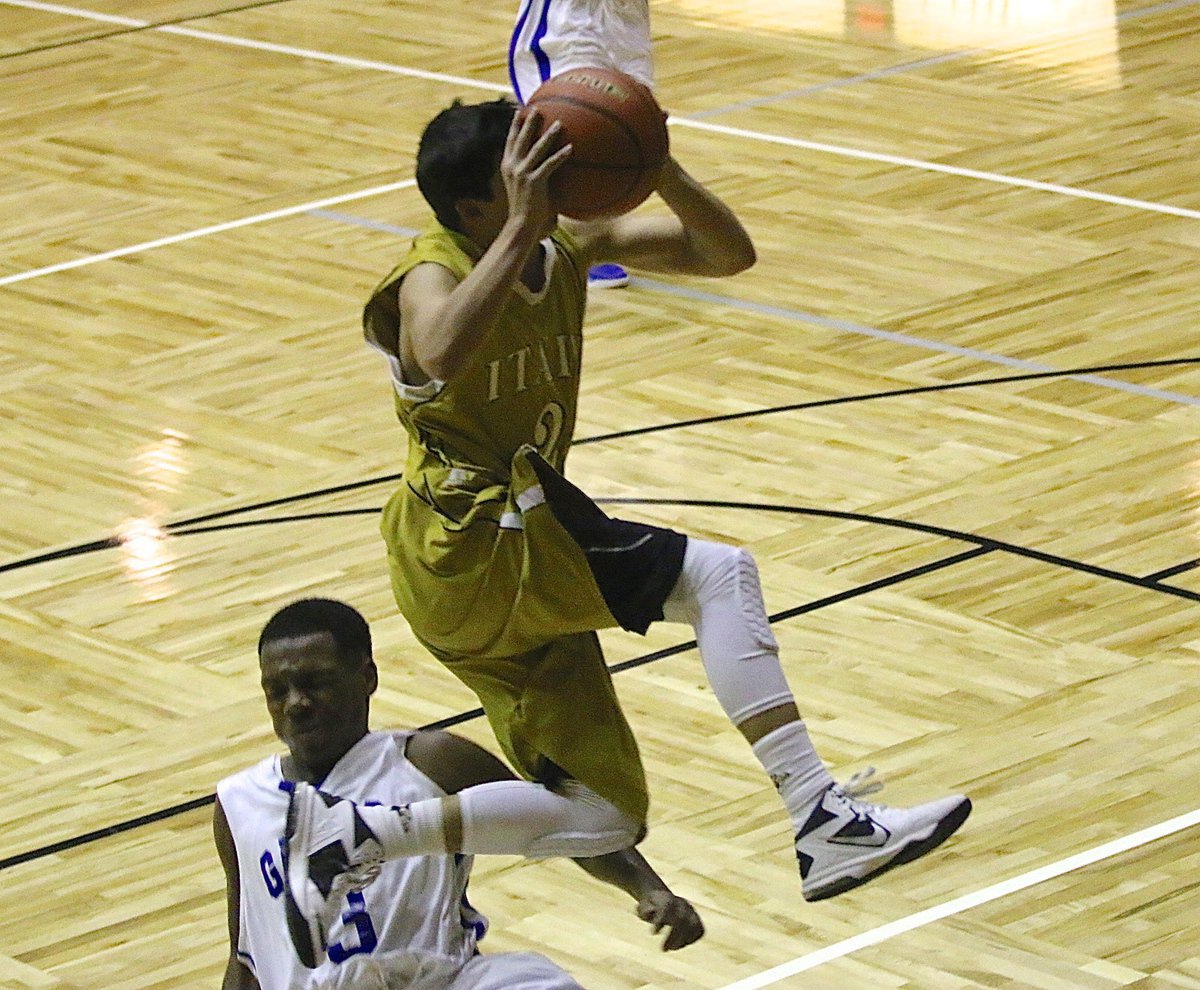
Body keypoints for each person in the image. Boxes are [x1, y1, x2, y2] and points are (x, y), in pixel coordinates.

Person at [327, 93, 969, 933]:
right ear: (476, 206)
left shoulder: (564, 244)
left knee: (603, 815)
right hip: (469, 542)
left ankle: (365, 836)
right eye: (525, 171)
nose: (549, 180)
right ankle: (822, 817)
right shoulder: (432, 271)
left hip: (503, 556)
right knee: (719, 576)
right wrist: (522, 226)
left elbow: (726, 253)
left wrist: (655, 164)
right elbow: (440, 349)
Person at [215, 598, 703, 989]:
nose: (296, 703)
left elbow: (554, 824)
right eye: (277, 690)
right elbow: (246, 954)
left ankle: (367, 834)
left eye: (314, 683)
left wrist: (648, 887)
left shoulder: (430, 762)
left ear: (367, 678)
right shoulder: (238, 802)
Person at [508, 0, 655, 290]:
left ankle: (581, 231)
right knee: (567, 119)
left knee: (630, 116)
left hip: (626, 10)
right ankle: (541, 234)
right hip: (570, 13)